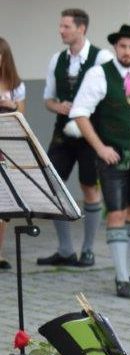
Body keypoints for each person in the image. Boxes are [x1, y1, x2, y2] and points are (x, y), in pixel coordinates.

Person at [70, 24, 130, 298]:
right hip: (112, 158)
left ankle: (127, 270)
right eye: (122, 46)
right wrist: (100, 148)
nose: (127, 51)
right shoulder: (100, 74)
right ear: (115, 47)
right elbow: (79, 113)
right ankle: (121, 278)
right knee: (117, 213)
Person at [38, 8, 113, 269]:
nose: (61, 31)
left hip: (90, 133)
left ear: (81, 28)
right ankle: (65, 249)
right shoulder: (57, 59)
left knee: (89, 187)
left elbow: (110, 94)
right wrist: (57, 107)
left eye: (66, 26)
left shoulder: (102, 57)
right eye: (61, 26)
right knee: (51, 185)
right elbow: (48, 99)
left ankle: (88, 250)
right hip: (63, 133)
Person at [0, 36, 25, 271]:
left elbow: (22, 115)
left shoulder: (15, 84)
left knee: (2, 207)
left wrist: (13, 106)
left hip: (4, 146)